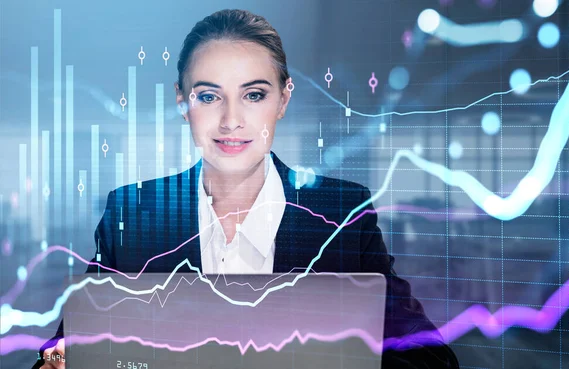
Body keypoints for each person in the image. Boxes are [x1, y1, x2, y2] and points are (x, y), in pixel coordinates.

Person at [33, 9, 459, 369]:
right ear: (182, 102)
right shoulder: (134, 212)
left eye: (254, 95)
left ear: (283, 99)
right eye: (208, 97)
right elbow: (64, 348)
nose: (231, 121)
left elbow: (431, 359)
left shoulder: (342, 212)